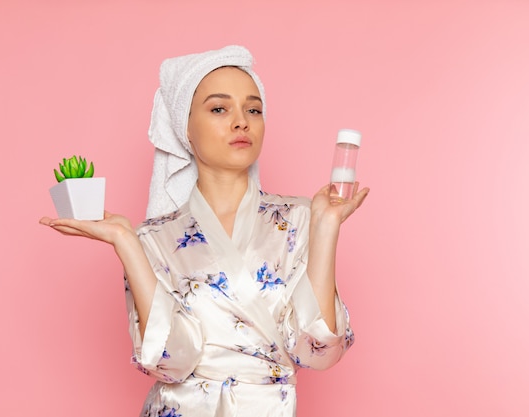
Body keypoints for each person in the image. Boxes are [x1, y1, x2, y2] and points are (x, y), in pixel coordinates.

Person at [40, 45, 369, 417]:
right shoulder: (153, 237)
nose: (241, 121)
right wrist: (127, 242)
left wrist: (326, 228)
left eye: (253, 109)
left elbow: (317, 350)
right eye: (219, 109)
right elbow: (171, 361)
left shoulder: (300, 217)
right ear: (186, 131)